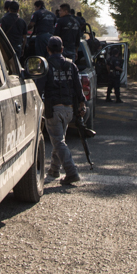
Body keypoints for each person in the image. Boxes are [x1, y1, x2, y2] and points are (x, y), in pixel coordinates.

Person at [39, 36, 86, 185]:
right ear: (62, 49)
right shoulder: (71, 65)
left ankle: (72, 172)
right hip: (69, 110)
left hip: (53, 109)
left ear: (47, 49)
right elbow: (78, 88)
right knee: (59, 139)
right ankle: (54, 170)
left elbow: (39, 89)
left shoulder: (46, 66)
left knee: (58, 141)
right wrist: (82, 104)